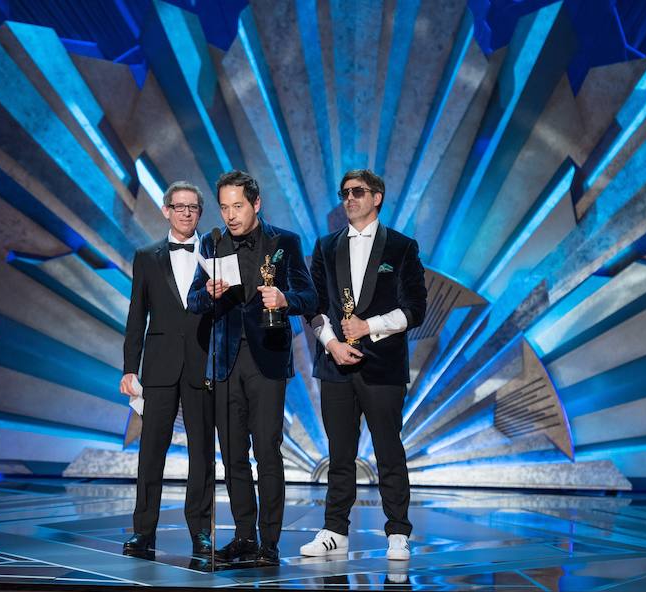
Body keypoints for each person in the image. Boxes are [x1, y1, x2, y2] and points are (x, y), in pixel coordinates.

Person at [188, 170, 317, 566]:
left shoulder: (284, 242)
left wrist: (284, 299)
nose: (230, 215)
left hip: (267, 361)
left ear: (256, 204)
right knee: (233, 457)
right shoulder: (211, 244)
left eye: (238, 206)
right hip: (225, 363)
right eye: (225, 207)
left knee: (267, 452)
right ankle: (243, 536)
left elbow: (310, 297)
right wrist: (207, 296)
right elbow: (193, 301)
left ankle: (269, 543)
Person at [301, 169, 427, 561]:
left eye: (358, 192)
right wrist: (332, 343)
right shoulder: (325, 246)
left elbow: (415, 309)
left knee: (389, 450)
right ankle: (335, 530)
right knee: (339, 452)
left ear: (378, 197)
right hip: (336, 363)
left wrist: (368, 326)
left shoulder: (402, 248)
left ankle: (398, 531)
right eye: (344, 193)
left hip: (382, 366)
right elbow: (314, 307)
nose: (349, 199)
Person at [120, 181, 214, 559]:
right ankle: (144, 531)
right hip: (158, 368)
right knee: (151, 452)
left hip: (201, 363)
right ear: (166, 210)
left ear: (199, 213)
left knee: (203, 453)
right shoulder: (146, 256)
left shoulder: (214, 253)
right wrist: (130, 368)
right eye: (179, 207)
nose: (186, 213)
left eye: (192, 207)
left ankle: (201, 533)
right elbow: (135, 315)